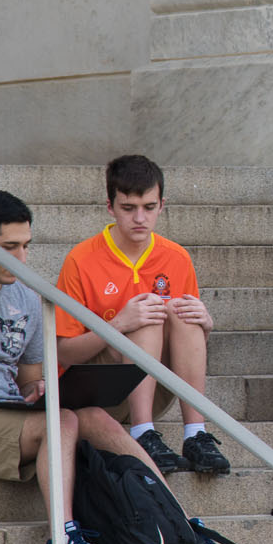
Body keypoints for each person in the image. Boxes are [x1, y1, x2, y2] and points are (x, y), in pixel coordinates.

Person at [0, 190, 241, 544]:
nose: (21, 259)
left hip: (2, 413)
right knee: (63, 423)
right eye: (9, 247)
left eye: (26, 246)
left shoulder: (25, 296)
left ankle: (181, 529)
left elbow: (27, 381)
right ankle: (64, 541)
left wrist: (38, 389)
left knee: (95, 418)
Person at [52, 155, 230, 476]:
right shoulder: (81, 259)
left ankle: (196, 433)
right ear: (110, 206)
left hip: (152, 386)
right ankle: (142, 432)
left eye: (149, 207)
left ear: (162, 205)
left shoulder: (176, 257)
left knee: (182, 313)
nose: (139, 218)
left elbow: (185, 344)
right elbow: (63, 352)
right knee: (145, 313)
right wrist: (118, 324)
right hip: (96, 389)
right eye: (128, 207)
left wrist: (205, 325)